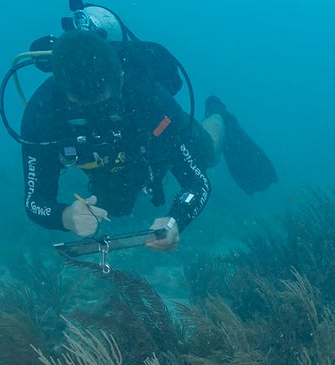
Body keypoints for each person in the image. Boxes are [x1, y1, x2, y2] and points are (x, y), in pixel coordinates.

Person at [20, 20, 269, 252]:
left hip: (149, 137)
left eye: (103, 105)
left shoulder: (148, 96)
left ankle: (219, 114)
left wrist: (176, 220)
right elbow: (35, 201)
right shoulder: (42, 113)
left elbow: (197, 182)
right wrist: (65, 217)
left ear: (120, 80)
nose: (97, 117)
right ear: (64, 93)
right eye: (83, 108)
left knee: (208, 153)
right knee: (116, 206)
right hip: (107, 161)